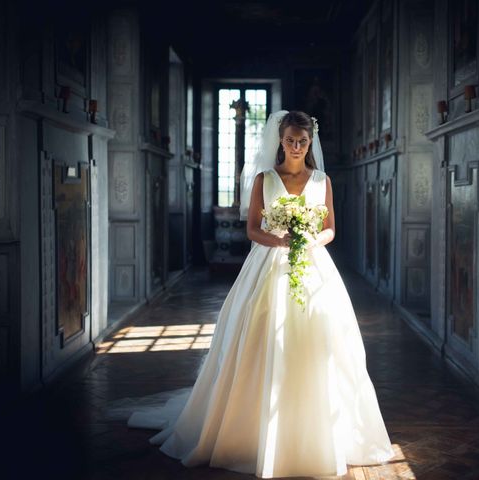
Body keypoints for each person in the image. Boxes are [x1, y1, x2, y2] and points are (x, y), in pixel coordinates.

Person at [121, 110, 395, 478]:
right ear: (280, 141)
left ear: (310, 142)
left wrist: (311, 239)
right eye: (290, 140)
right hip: (268, 264)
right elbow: (252, 229)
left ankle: (315, 432)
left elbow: (330, 229)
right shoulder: (265, 180)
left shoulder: (322, 180)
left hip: (313, 265)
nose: (296, 147)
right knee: (261, 336)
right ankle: (252, 430)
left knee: (322, 342)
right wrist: (279, 239)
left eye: (302, 141)